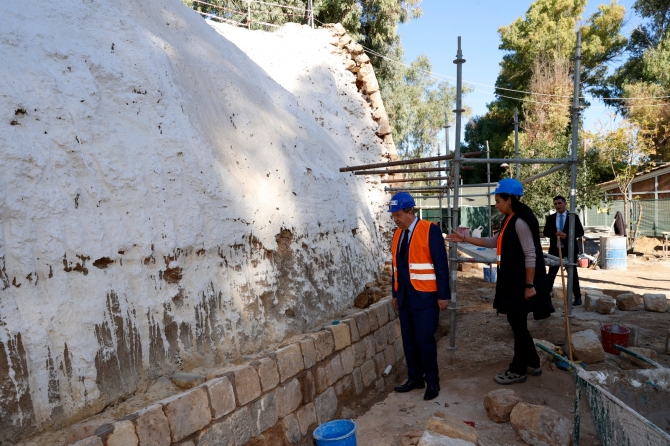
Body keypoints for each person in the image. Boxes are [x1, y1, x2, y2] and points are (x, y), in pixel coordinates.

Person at [446, 179, 554, 385]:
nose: (496, 204)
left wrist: (530, 285)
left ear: (510, 199)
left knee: (518, 324)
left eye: (498, 200)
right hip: (513, 282)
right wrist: (464, 239)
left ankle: (518, 370)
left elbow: (530, 254)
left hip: (522, 284)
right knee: (517, 323)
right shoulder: (509, 220)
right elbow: (492, 242)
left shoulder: (520, 221)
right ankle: (533, 362)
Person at [389, 191, 450, 400]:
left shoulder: (429, 230)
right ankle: (415, 377)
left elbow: (441, 265)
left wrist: (443, 295)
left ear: (409, 211)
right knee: (409, 340)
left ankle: (432, 382)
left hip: (426, 297)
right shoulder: (398, 234)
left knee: (425, 340)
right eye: (393, 216)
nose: (395, 219)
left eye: (398, 215)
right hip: (405, 297)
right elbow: (395, 268)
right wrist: (395, 293)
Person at [543, 195, 584, 306]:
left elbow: (580, 232)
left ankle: (578, 297)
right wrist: (555, 234)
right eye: (555, 204)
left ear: (565, 204)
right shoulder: (551, 218)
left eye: (559, 203)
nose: (557, 206)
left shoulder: (573, 217)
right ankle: (545, 298)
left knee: (572, 273)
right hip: (555, 250)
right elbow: (545, 232)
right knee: (551, 274)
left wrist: (568, 235)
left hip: (569, 250)